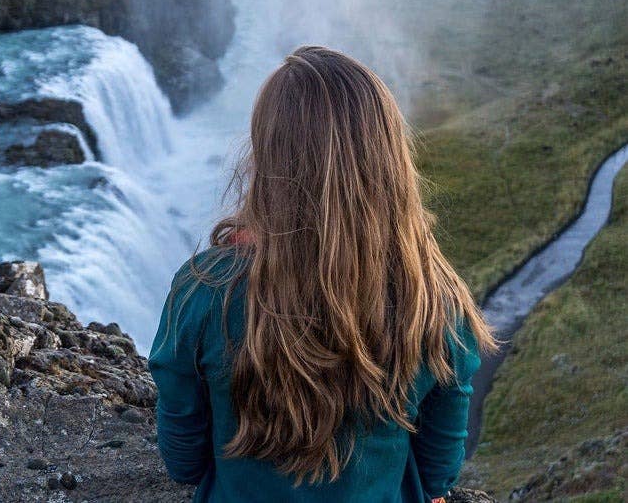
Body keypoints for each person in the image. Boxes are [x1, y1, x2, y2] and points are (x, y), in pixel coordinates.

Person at [149, 46, 496, 502]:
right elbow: (437, 475)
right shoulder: (436, 302)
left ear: (267, 157)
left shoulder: (204, 290)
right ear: (390, 163)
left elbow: (184, 462)